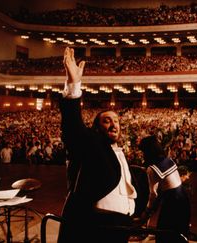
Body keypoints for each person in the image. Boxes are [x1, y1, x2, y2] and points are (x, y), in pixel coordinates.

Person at [58, 47, 137, 243]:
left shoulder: (117, 151)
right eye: (107, 120)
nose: (114, 124)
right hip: (98, 226)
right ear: (96, 128)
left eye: (117, 121)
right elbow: (73, 129)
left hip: (121, 225)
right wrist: (74, 85)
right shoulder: (92, 143)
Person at [138, 135, 190, 243]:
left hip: (173, 202)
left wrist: (146, 212)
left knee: (164, 235)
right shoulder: (168, 160)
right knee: (179, 233)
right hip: (183, 198)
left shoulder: (152, 169)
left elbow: (153, 195)